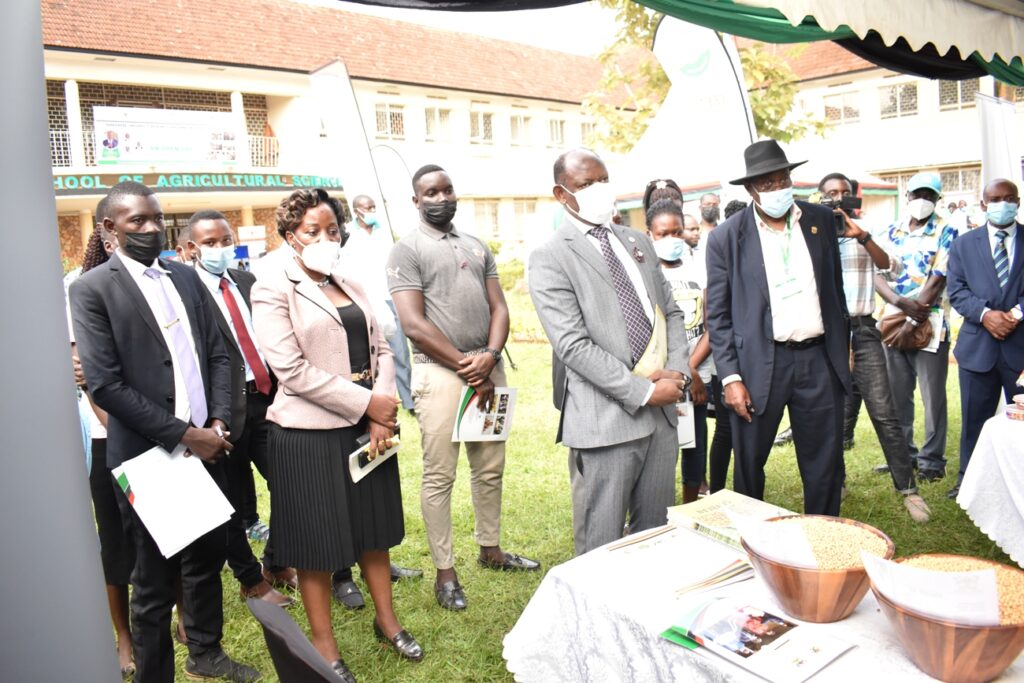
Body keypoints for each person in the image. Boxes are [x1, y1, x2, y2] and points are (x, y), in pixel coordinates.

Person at [70, 181, 259, 682]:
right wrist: (183, 434)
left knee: (205, 560)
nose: (152, 228)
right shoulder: (91, 290)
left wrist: (216, 422)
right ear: (110, 228)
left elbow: (220, 353)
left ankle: (207, 654)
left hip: (207, 446)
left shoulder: (184, 276)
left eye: (157, 219)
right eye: (138, 221)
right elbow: (106, 385)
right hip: (147, 457)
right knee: (152, 582)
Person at [251, 188, 421, 680]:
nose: (326, 238)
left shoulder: (350, 281)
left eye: (332, 229)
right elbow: (291, 370)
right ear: (290, 236)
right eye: (312, 231)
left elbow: (383, 350)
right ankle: (325, 649)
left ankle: (386, 622)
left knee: (374, 532)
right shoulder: (270, 286)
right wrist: (368, 402)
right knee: (318, 545)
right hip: (307, 437)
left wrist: (379, 412)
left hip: (367, 429)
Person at [388, 164, 539, 611]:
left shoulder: (476, 245)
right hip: (439, 372)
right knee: (440, 474)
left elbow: (500, 307)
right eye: (431, 193)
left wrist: (489, 358)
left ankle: (490, 549)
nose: (441, 198)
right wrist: (465, 366)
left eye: (447, 190)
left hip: (487, 368)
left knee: (489, 466)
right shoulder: (406, 250)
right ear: (416, 200)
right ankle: (445, 572)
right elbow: (413, 323)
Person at [529, 148, 689, 554]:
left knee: (655, 535)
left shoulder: (636, 240)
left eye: (603, 180)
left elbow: (669, 310)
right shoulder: (550, 257)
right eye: (586, 185)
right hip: (606, 422)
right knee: (600, 544)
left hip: (662, 418)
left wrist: (677, 373)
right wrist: (644, 391)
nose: (599, 191)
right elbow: (572, 344)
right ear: (562, 194)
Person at [704, 140, 851, 516]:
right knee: (750, 462)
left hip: (818, 360)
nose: (777, 189)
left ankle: (822, 539)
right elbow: (718, 317)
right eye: (767, 184)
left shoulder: (818, 221)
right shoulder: (726, 238)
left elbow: (835, 291)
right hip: (758, 366)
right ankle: (753, 541)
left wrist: (842, 346)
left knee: (824, 464)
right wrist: (731, 377)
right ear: (750, 190)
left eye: (782, 179)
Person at [176, 210, 296, 608]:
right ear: (191, 248)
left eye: (226, 240)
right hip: (219, 410)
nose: (220, 249)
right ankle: (250, 581)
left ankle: (275, 562)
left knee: (291, 483)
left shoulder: (246, 280)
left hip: (265, 398)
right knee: (228, 502)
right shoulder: (184, 290)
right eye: (210, 243)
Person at [818, 173, 930, 523]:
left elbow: (890, 266)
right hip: (825, 335)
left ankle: (908, 490)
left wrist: (862, 236)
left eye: (844, 193)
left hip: (863, 330)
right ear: (819, 198)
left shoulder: (869, 232)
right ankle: (837, 482)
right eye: (831, 194)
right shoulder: (811, 235)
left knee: (883, 411)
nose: (837, 199)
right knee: (831, 414)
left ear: (854, 197)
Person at [68, 202, 138, 679]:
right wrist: (117, 429)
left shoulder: (157, 278)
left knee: (163, 536)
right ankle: (123, 636)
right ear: (108, 231)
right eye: (136, 222)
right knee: (115, 542)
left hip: (156, 428)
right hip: (109, 436)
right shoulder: (81, 286)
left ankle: (181, 618)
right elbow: (84, 372)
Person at [874, 172, 958, 484]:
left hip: (929, 323)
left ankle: (932, 461)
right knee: (897, 396)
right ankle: (902, 456)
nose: (923, 200)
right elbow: (875, 272)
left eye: (930, 195)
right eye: (917, 194)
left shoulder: (948, 231)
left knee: (932, 397)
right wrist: (898, 301)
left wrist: (913, 318)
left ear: (938, 199)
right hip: (892, 322)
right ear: (907, 196)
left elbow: (938, 279)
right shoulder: (890, 231)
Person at [947, 178, 1024, 499]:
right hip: (978, 347)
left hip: (1020, 349)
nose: (1002, 204)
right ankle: (969, 481)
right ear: (983, 204)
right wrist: (985, 315)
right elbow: (957, 291)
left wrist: (1016, 314)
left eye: (1009, 198)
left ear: (1018, 202)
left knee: (1020, 423)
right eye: (995, 199)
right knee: (974, 420)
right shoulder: (964, 244)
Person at [646, 200, 711, 504]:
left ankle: (690, 507)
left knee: (695, 443)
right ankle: (654, 508)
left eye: (677, 231)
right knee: (658, 444)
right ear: (650, 234)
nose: (671, 239)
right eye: (663, 234)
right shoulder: (645, 274)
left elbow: (712, 325)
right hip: (661, 374)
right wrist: (685, 370)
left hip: (699, 372)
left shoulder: (700, 268)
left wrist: (693, 369)